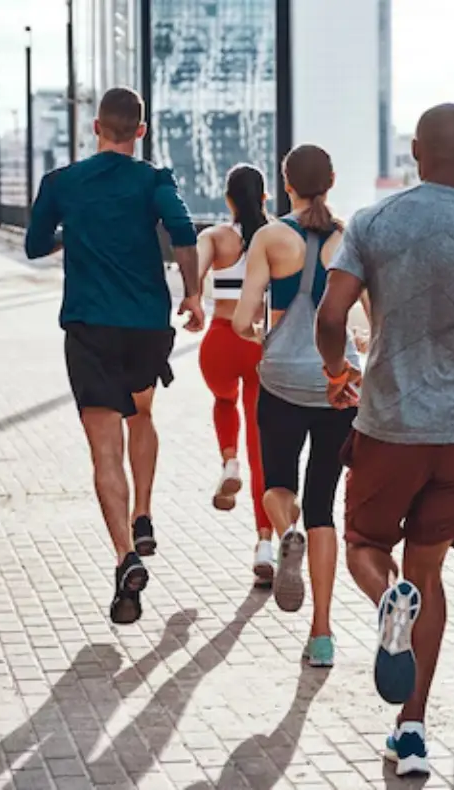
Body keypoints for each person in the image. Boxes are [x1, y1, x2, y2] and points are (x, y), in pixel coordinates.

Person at [315, 103, 454, 776]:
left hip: (390, 426)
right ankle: (410, 731)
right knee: (429, 572)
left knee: (364, 545)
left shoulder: (373, 222)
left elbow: (331, 316)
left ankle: (388, 599)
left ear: (415, 151)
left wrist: (339, 372)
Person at [24, 87, 203, 626]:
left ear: (96, 127)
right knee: (141, 414)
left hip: (89, 328)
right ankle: (144, 511)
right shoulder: (154, 180)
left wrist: (72, 234)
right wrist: (193, 293)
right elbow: (183, 232)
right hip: (146, 325)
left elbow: (34, 245)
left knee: (105, 450)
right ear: (140, 131)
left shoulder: (62, 183)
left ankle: (125, 553)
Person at [232, 144, 362, 669]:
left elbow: (242, 319)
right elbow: (372, 321)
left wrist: (262, 334)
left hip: (282, 379)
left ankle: (288, 533)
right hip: (337, 382)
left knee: (277, 484)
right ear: (332, 180)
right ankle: (323, 635)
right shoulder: (353, 236)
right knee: (324, 502)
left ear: (286, 184)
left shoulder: (269, 237)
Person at [196, 164, 275, 581]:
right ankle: (265, 545)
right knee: (262, 451)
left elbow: (193, 274)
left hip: (221, 340)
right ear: (264, 198)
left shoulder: (215, 237)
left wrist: (192, 300)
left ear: (229, 200)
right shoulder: (278, 236)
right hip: (261, 344)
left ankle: (228, 462)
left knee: (224, 400)